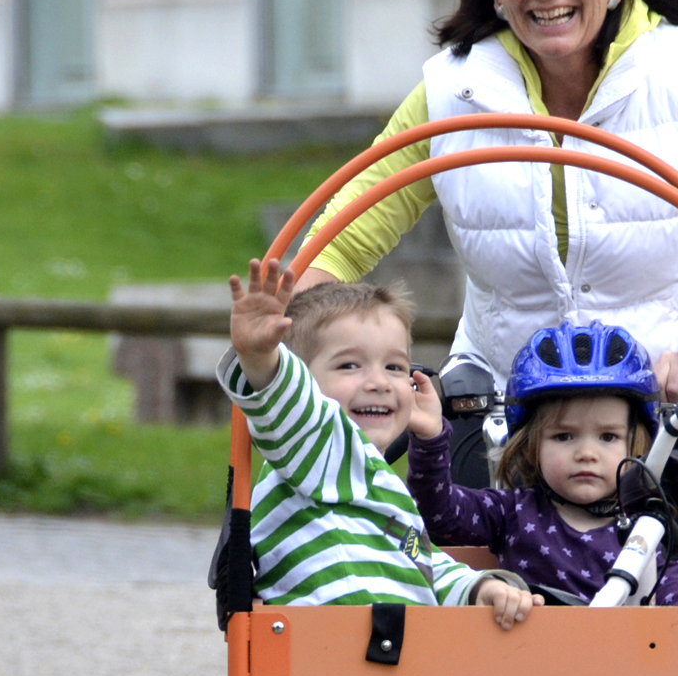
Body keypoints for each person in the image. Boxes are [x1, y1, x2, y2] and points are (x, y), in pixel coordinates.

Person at [294, 0, 678, 546]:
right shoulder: (453, 89)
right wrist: (291, 339)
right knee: (480, 614)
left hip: (663, 414)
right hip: (502, 408)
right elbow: (346, 231)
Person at [219, 257, 533, 624]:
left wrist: (477, 587)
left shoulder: (378, 484)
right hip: (332, 657)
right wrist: (260, 358)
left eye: (395, 367)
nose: (380, 382)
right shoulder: (317, 452)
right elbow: (289, 404)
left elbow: (420, 561)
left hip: (389, 659)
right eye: (350, 365)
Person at [405, 321, 678, 606]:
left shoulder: (648, 525)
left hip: (626, 656)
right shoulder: (512, 512)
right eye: (563, 436)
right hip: (528, 654)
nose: (587, 453)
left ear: (636, 444)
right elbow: (439, 511)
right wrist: (430, 440)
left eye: (608, 437)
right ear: (530, 445)